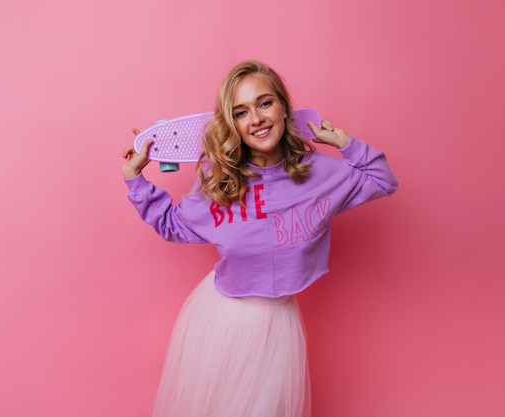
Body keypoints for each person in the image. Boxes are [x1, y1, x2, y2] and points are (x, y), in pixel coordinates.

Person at [121, 60, 398, 417]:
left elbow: (382, 180)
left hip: (279, 324)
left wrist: (345, 144)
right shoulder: (220, 181)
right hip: (224, 319)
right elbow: (174, 224)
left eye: (265, 103)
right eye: (241, 112)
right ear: (233, 124)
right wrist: (136, 181)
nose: (257, 118)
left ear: (283, 107)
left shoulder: (321, 174)